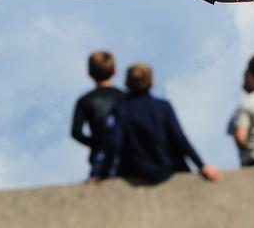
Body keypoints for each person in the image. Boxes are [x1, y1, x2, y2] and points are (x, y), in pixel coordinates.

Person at [92, 63, 221, 184]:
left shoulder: (120, 110)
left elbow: (114, 143)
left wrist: (103, 175)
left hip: (134, 172)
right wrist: (201, 165)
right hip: (166, 169)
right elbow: (179, 139)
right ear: (151, 82)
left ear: (127, 83)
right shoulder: (163, 107)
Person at [71, 51, 125, 177]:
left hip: (101, 154)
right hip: (126, 153)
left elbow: (76, 133)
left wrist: (96, 142)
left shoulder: (84, 100)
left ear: (89, 73)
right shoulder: (125, 97)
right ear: (114, 71)